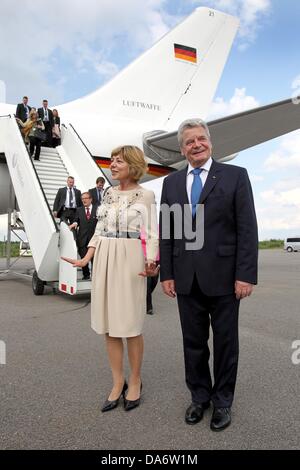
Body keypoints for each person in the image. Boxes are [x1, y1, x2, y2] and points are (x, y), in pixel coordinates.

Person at [159, 118, 258, 431]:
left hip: (226, 278)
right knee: (193, 343)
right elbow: (169, 231)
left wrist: (245, 275)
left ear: (210, 143)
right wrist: (167, 273)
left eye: (201, 139)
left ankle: (223, 402)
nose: (196, 145)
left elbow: (247, 228)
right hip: (186, 278)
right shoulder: (172, 183)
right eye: (189, 141)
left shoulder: (235, 176)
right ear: (182, 148)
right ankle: (199, 397)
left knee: (227, 343)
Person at [62, 145, 159, 412]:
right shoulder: (107, 193)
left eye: (119, 161)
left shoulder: (147, 195)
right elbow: (99, 230)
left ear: (133, 165)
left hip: (130, 259)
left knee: (130, 325)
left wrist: (152, 262)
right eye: (112, 161)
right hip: (104, 256)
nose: (112, 165)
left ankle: (135, 380)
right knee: (108, 324)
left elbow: (151, 233)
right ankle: (118, 383)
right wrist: (86, 258)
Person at [69, 191, 99, 280]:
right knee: (83, 257)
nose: (84, 200)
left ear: (90, 199)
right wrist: (74, 223)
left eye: (85, 198)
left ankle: (96, 276)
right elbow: (76, 220)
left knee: (95, 259)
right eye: (82, 199)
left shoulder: (98, 209)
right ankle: (86, 275)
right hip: (82, 239)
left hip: (94, 239)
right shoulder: (79, 210)